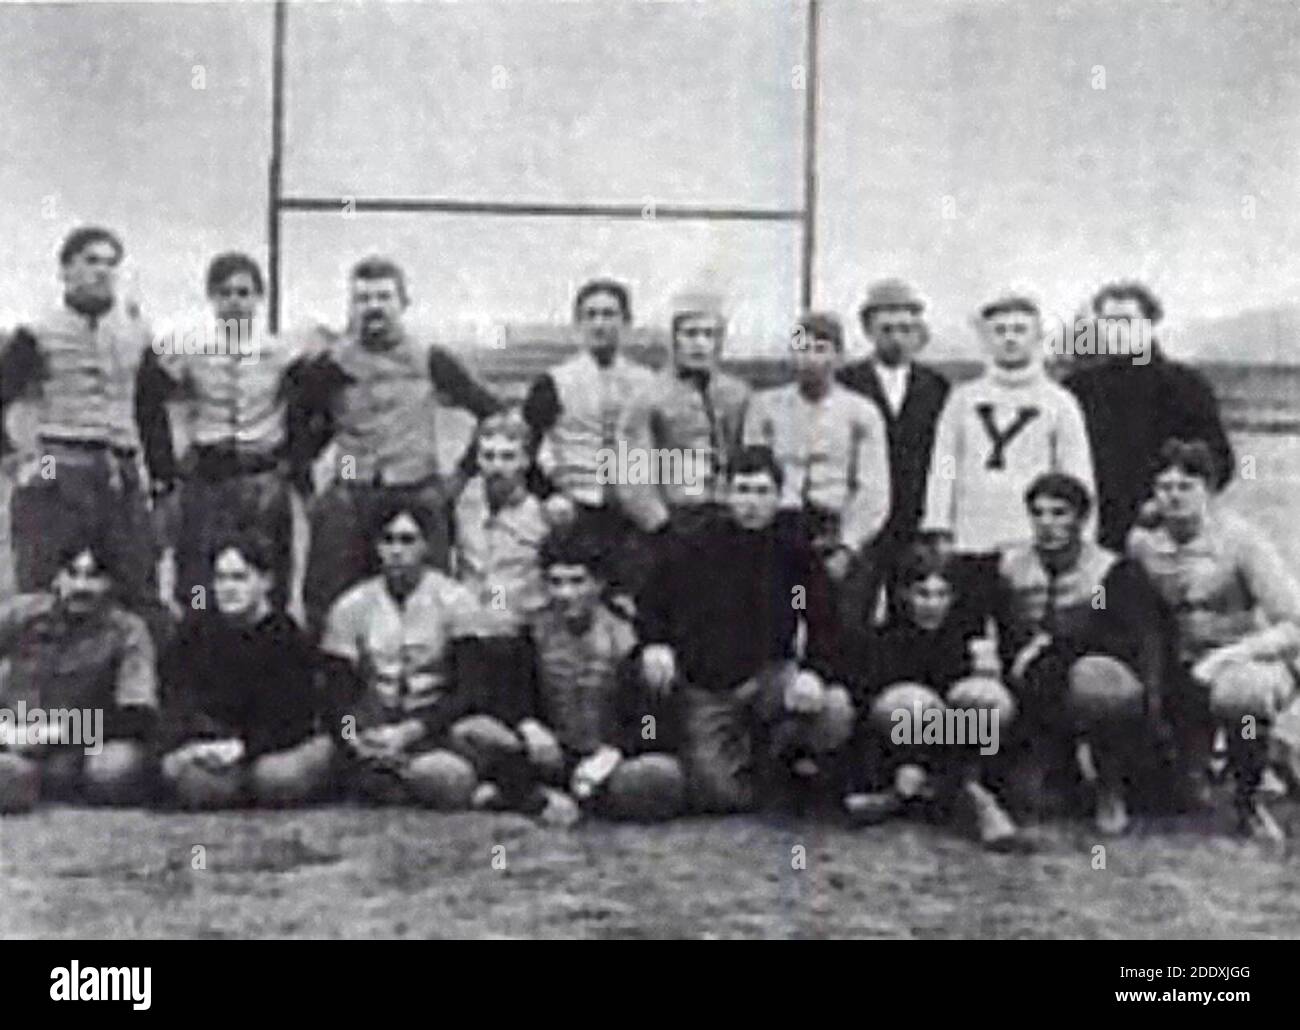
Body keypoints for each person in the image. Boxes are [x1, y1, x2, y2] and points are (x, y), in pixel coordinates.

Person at [637, 444, 855, 812]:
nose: (751, 502)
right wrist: (655, 643)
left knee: (833, 710)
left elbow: (823, 619)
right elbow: (652, 603)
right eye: (742, 490)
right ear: (724, 492)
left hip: (769, 680)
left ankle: (780, 759)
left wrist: (815, 671)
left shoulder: (794, 553)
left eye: (761, 492)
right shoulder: (692, 546)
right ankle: (752, 772)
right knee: (718, 795)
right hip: (709, 688)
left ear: (777, 497)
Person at [290, 256, 500, 630]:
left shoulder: (430, 358)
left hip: (417, 492)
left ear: (403, 303)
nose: (373, 307)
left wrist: (460, 477)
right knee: (329, 604)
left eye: (383, 297)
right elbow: (299, 425)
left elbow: (491, 412)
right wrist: (308, 493)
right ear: (352, 306)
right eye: (363, 298)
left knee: (427, 604)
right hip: (351, 494)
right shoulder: (333, 363)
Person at [0, 227, 172, 635]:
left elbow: (151, 412)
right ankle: (37, 688)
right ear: (66, 270)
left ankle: (136, 687)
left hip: (119, 472)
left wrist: (164, 480)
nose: (102, 272)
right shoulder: (37, 331)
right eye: (91, 261)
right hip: (58, 468)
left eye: (111, 263)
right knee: (44, 588)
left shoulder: (135, 333)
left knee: (136, 586)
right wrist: (14, 460)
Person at [1128, 439, 1300, 842]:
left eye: (1185, 486)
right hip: (1179, 668)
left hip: (1246, 660)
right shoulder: (1143, 544)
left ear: (1209, 488)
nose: (1173, 496)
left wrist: (1229, 656)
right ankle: (1267, 752)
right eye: (1163, 487)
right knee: (1178, 795)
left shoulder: (1242, 540)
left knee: (1240, 696)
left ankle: (1248, 800)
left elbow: (1293, 622)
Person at [452, 528, 687, 823]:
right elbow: (506, 693)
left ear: (599, 583)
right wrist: (529, 726)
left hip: (610, 758)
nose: (565, 594)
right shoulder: (532, 630)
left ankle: (529, 797)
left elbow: (651, 720)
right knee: (471, 732)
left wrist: (616, 752)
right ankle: (540, 797)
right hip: (548, 752)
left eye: (577, 582)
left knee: (661, 774)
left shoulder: (629, 634)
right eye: (556, 582)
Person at [994, 472, 1169, 835]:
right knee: (1026, 797)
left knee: (1097, 683)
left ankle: (1109, 782)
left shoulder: (1110, 572)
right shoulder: (1009, 566)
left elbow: (1131, 642)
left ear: (1081, 519)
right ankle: (1045, 764)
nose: (1047, 524)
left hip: (1088, 681)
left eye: (1059, 514)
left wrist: (1053, 648)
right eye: (1038, 514)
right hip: (1028, 688)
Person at [144, 252, 304, 611]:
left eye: (244, 292)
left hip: (261, 478)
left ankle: (263, 655)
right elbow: (149, 401)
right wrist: (165, 471)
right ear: (212, 297)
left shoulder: (280, 350)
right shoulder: (190, 348)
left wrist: (295, 461)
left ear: (259, 298)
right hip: (207, 478)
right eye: (225, 292)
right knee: (199, 579)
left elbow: (310, 406)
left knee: (265, 575)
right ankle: (199, 648)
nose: (235, 301)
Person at [923, 291, 1094, 618]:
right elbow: (944, 465)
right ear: (986, 339)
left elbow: (1076, 475)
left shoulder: (1059, 402)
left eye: (1019, 330)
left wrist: (1078, 537)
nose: (1010, 339)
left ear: (1037, 336)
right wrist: (939, 524)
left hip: (1031, 542)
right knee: (966, 629)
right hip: (970, 538)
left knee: (1022, 631)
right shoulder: (963, 399)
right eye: (1000, 331)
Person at [845, 537, 1025, 850]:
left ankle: (957, 787)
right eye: (922, 594)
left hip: (950, 749)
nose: (932, 604)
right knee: (914, 704)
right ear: (904, 595)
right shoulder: (885, 640)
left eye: (941, 594)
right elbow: (868, 709)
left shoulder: (964, 640)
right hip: (896, 746)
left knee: (984, 697)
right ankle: (952, 789)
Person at [318, 500, 484, 808]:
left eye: (407, 540)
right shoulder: (352, 604)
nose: (397, 550)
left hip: (431, 728)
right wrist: (353, 737)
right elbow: (335, 691)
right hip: (371, 729)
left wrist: (411, 732)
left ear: (426, 546)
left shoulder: (456, 600)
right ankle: (381, 775)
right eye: (388, 540)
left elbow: (469, 690)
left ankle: (396, 779)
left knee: (453, 776)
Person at [744, 312, 890, 658]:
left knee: (842, 632)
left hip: (835, 530)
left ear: (839, 356)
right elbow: (752, 472)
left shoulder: (861, 411)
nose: (811, 358)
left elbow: (874, 488)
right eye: (802, 348)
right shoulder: (766, 406)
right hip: (780, 528)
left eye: (821, 348)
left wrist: (848, 547)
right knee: (773, 626)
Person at [159, 532, 333, 808]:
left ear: (265, 582)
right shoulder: (195, 633)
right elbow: (176, 695)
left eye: (239, 578)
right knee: (190, 781)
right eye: (221, 578)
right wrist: (192, 744)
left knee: (275, 779)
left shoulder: (286, 637)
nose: (228, 588)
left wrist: (243, 748)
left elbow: (294, 717)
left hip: (275, 745)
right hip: (215, 745)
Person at [1064, 281, 1234, 550]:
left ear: (1150, 324)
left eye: (1128, 322)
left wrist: (1168, 504)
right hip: (1094, 535)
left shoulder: (1186, 385)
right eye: (1108, 322)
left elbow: (1218, 460)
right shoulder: (1078, 388)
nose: (1118, 331)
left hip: (1168, 533)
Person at [522, 278, 659, 596]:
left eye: (609, 314)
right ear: (578, 323)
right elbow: (523, 448)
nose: (600, 324)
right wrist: (548, 496)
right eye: (591, 315)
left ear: (627, 322)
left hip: (634, 514)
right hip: (577, 510)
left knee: (634, 600)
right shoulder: (554, 381)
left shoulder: (648, 382)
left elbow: (664, 446)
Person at [0, 539, 158, 812]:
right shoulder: (21, 615)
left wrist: (59, 732)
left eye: (93, 577)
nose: (80, 586)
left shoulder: (128, 630)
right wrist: (5, 731)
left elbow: (137, 714)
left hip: (88, 743)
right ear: (56, 578)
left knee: (113, 771)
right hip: (16, 734)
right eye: (72, 574)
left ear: (110, 583)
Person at [837, 280, 950, 616]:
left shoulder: (936, 385)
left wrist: (940, 520)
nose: (897, 338)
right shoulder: (847, 382)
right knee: (852, 614)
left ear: (918, 331)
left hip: (914, 523)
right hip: (863, 522)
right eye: (886, 329)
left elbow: (946, 458)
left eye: (906, 328)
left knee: (910, 616)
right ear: (868, 330)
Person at [617, 289, 750, 537]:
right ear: (674, 339)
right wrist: (660, 527)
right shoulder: (647, 397)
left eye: (708, 334)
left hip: (730, 516)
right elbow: (631, 476)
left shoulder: (737, 394)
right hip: (675, 517)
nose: (699, 343)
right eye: (690, 334)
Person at [451, 408, 552, 725]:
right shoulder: (462, 504)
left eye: (508, 457)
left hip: (519, 642)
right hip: (467, 641)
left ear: (525, 461)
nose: (496, 466)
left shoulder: (545, 516)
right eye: (488, 456)